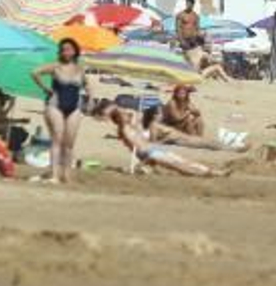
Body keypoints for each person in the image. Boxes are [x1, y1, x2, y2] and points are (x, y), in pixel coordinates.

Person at [101, 103, 225, 177]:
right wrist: (117, 111)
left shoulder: (129, 127)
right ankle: (211, 173)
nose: (126, 114)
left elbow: (132, 114)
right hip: (149, 152)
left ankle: (210, 172)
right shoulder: (124, 128)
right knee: (178, 164)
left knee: (179, 162)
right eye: (123, 114)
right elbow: (124, 116)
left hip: (151, 150)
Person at [30, 38, 88, 184]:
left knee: (69, 143)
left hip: (74, 107)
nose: (65, 52)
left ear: (75, 51)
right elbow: (34, 72)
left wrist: (92, 98)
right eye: (62, 49)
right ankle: (54, 175)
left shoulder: (80, 68)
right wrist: (45, 88)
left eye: (68, 49)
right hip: (55, 105)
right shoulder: (55, 66)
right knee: (57, 139)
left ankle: (67, 176)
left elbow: (87, 83)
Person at [176, 0, 205, 68]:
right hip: (185, 39)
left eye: (189, 3)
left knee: (194, 58)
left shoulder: (195, 16)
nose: (188, 5)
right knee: (185, 58)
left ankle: (194, 71)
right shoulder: (181, 15)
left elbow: (197, 28)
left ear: (193, 4)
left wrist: (200, 37)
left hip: (193, 40)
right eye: (187, 3)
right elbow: (178, 28)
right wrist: (181, 40)